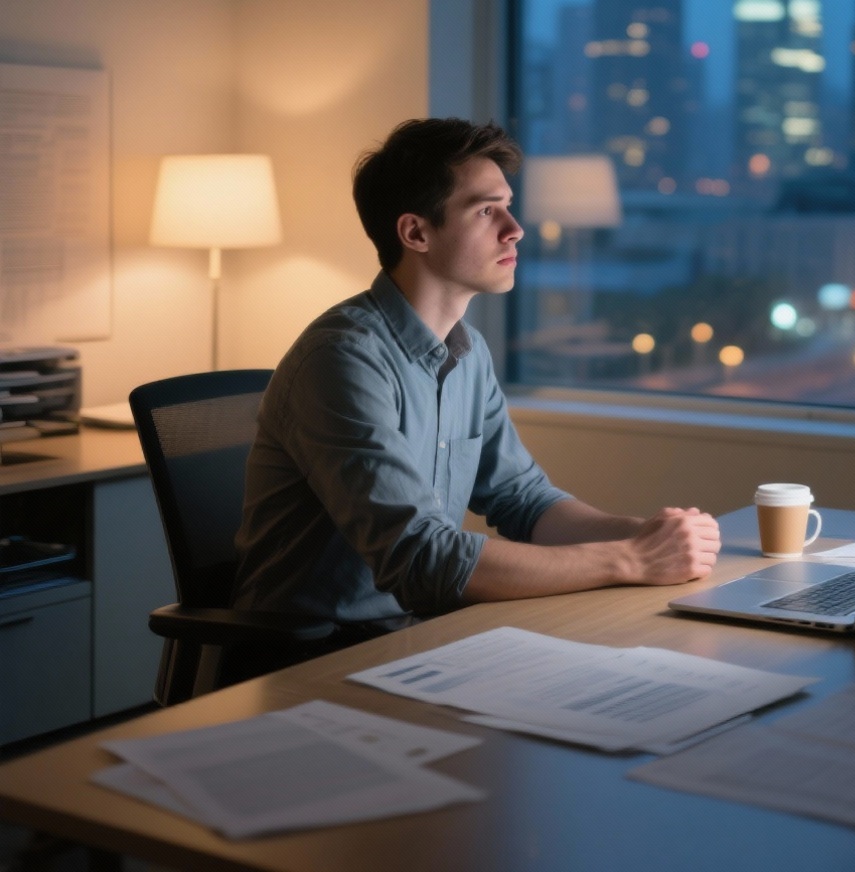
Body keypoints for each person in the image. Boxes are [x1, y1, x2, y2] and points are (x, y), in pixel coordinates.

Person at [232, 117, 720, 639]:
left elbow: (524, 500)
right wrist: (629, 559)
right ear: (416, 232)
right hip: (318, 652)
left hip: (419, 635)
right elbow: (423, 560)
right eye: (487, 211)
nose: (515, 229)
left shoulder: (468, 352)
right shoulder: (342, 360)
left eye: (507, 206)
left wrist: (651, 536)